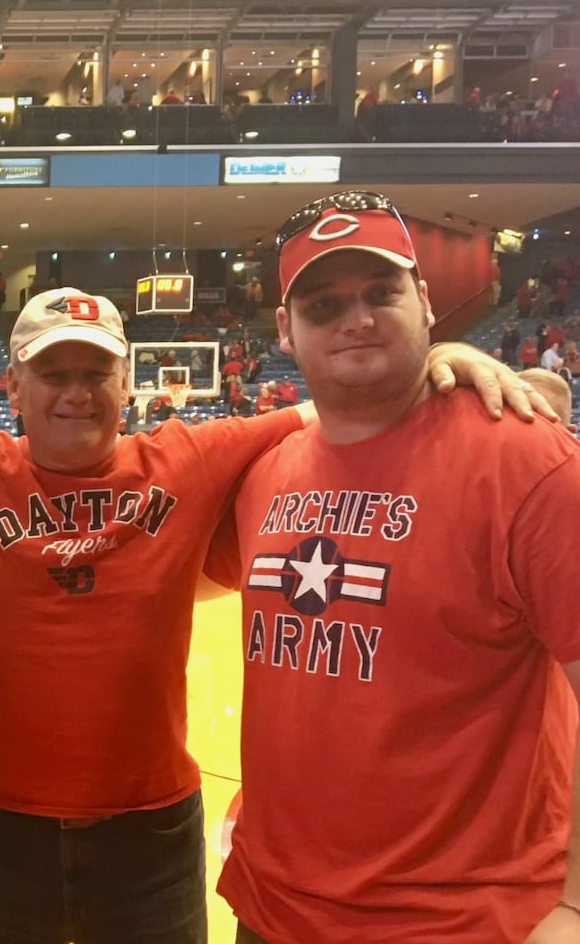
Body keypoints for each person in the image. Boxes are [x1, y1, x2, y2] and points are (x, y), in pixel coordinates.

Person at [0, 282, 539, 944]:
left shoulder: (190, 454)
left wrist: (448, 361)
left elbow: (348, 400)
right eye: (54, 374)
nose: (76, 393)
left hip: (149, 831)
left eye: (94, 374)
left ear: (124, 381)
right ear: (15, 383)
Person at [207, 190, 580, 943]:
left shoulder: (529, 462)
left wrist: (574, 902)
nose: (357, 318)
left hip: (459, 921)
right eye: (323, 304)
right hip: (273, 909)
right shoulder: (264, 475)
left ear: (426, 300)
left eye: (381, 293)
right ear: (284, 328)